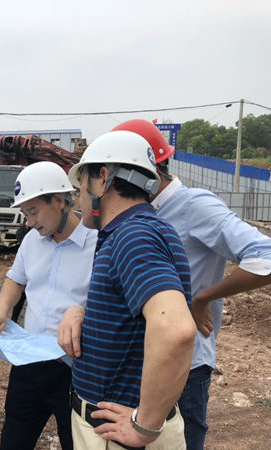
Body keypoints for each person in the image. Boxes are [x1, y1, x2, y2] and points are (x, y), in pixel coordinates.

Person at [112, 119, 271, 450]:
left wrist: (201, 298)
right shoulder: (134, 213)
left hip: (183, 365)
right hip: (138, 358)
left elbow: (265, 257)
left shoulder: (193, 206)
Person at [66, 131, 197, 450]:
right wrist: (83, 312)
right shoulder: (139, 230)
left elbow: (176, 329)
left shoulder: (133, 235)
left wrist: (144, 427)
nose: (78, 196)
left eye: (80, 185)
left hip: (119, 438)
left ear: (102, 179)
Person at [0, 161, 98, 450]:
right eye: (25, 213)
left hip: (74, 369)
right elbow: (15, 279)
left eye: (33, 212)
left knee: (76, 442)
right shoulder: (32, 240)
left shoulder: (97, 244)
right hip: (28, 363)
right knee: (14, 440)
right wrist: (1, 309)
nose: (29, 222)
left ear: (59, 202)